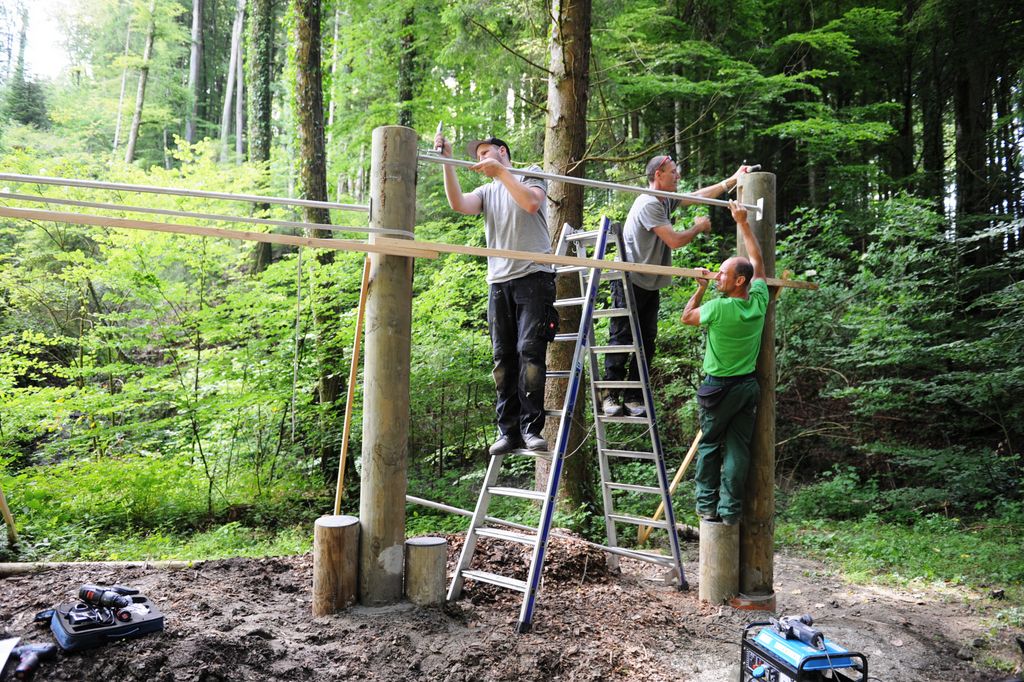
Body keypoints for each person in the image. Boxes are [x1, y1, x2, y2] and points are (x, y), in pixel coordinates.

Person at [434, 132, 557, 456]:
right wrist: (447, 161)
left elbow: (531, 203)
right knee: (503, 358)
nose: (481, 160)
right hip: (499, 282)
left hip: (534, 276)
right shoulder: (487, 192)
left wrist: (501, 173)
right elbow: (458, 204)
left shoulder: (529, 173)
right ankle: (509, 431)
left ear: (502, 152)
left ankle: (531, 430)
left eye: (486, 152)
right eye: (478, 156)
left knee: (530, 353)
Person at [603, 156, 752, 417]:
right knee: (622, 337)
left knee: (646, 341)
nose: (678, 176)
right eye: (673, 172)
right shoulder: (649, 203)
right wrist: (697, 228)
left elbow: (697, 196)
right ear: (658, 174)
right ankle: (609, 395)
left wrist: (731, 180)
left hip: (649, 282)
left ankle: (634, 397)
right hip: (629, 280)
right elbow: (673, 240)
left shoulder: (664, 200)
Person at [680, 200, 768, 526]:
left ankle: (707, 506)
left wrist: (700, 289)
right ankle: (730, 512)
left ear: (739, 281)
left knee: (709, 446)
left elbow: (687, 317)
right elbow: (757, 263)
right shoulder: (758, 301)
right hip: (746, 388)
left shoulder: (718, 308)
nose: (718, 276)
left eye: (723, 274)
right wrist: (742, 222)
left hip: (718, 390)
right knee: (738, 449)